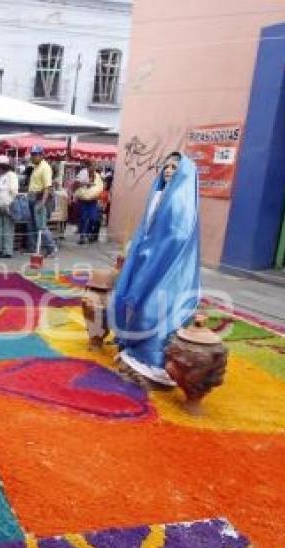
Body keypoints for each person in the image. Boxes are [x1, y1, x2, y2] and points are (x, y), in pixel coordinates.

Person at [111, 152, 201, 387]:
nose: (169, 170)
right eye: (166, 166)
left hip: (167, 266)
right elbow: (148, 229)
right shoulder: (159, 194)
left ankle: (152, 365)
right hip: (146, 259)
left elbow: (176, 237)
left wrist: (152, 252)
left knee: (154, 310)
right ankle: (134, 354)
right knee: (134, 301)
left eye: (174, 167)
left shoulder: (182, 200)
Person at [26, 146, 56, 256]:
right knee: (32, 225)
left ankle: (51, 248)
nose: (32, 157)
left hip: (40, 199)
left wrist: (42, 203)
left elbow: (47, 187)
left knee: (41, 225)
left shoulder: (45, 167)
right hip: (33, 197)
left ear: (41, 155)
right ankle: (33, 248)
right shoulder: (36, 167)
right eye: (32, 154)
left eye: (35, 155)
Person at [0, 155, 19, 258]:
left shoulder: (11, 175)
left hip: (7, 206)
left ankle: (7, 251)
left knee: (8, 229)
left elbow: (14, 191)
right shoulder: (1, 176)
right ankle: (0, 249)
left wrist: (8, 204)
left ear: (1, 166)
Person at [74, 160, 104, 244]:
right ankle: (82, 236)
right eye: (92, 165)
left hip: (93, 201)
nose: (94, 167)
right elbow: (76, 184)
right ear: (88, 166)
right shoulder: (82, 173)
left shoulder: (97, 176)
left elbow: (101, 186)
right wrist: (85, 184)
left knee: (93, 218)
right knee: (83, 218)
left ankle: (89, 233)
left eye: (95, 165)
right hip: (84, 200)